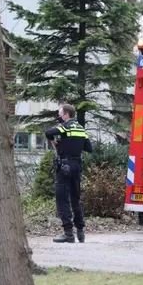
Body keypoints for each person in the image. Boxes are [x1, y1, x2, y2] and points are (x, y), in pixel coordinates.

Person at [45, 104, 93, 243]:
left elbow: (49, 132)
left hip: (64, 166)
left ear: (66, 114)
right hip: (77, 167)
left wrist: (56, 143)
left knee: (62, 200)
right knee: (75, 199)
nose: (59, 117)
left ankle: (68, 233)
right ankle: (80, 231)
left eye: (60, 114)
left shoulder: (65, 127)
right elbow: (89, 148)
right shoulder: (81, 129)